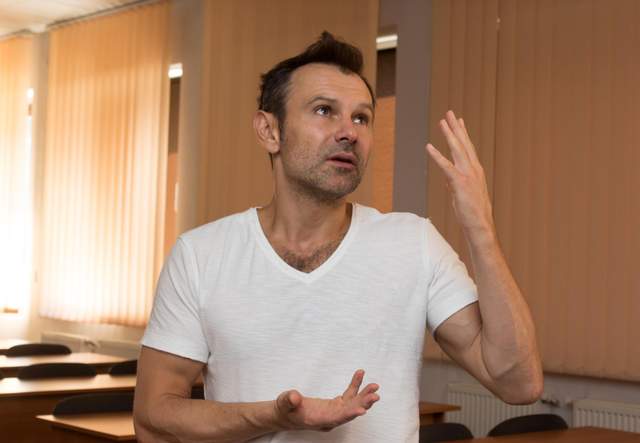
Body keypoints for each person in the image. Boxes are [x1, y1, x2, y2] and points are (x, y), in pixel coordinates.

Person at [133, 31, 543, 442]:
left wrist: (480, 228)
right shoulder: (200, 255)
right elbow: (153, 417)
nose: (349, 132)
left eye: (361, 118)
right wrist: (273, 416)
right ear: (269, 131)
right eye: (324, 111)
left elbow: (518, 383)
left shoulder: (414, 243)